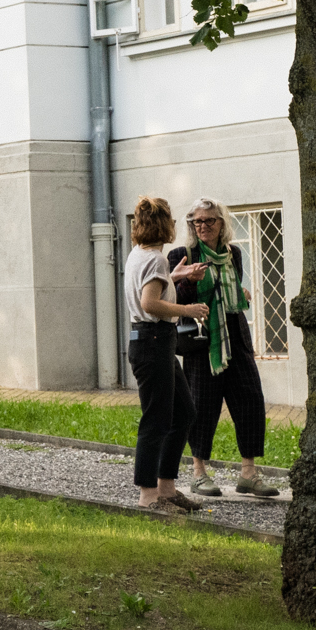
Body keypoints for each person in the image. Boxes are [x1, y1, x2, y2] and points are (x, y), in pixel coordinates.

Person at [169, 200, 280, 498]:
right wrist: (190, 282)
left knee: (250, 399)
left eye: (209, 221)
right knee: (202, 405)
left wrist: (238, 293)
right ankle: (198, 473)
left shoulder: (234, 253)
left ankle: (248, 474)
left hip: (236, 336)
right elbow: (175, 299)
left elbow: (233, 290)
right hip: (203, 338)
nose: (202, 226)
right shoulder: (182, 255)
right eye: (196, 222)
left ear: (222, 223)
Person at [125, 195, 205, 513]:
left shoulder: (140, 254)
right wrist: (188, 308)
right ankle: (149, 496)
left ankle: (167, 489)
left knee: (183, 412)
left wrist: (178, 276)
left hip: (152, 340)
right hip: (154, 339)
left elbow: (151, 290)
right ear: (166, 225)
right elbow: (149, 303)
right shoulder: (156, 259)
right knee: (157, 419)